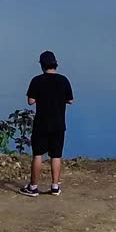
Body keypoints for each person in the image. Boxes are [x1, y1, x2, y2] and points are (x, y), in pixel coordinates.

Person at [20, 50, 73, 197]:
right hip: (58, 124)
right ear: (55, 63)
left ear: (42, 65)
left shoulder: (37, 80)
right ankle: (55, 186)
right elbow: (70, 100)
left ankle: (33, 187)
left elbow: (31, 101)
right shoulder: (64, 80)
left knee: (38, 155)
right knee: (56, 155)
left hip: (41, 124)